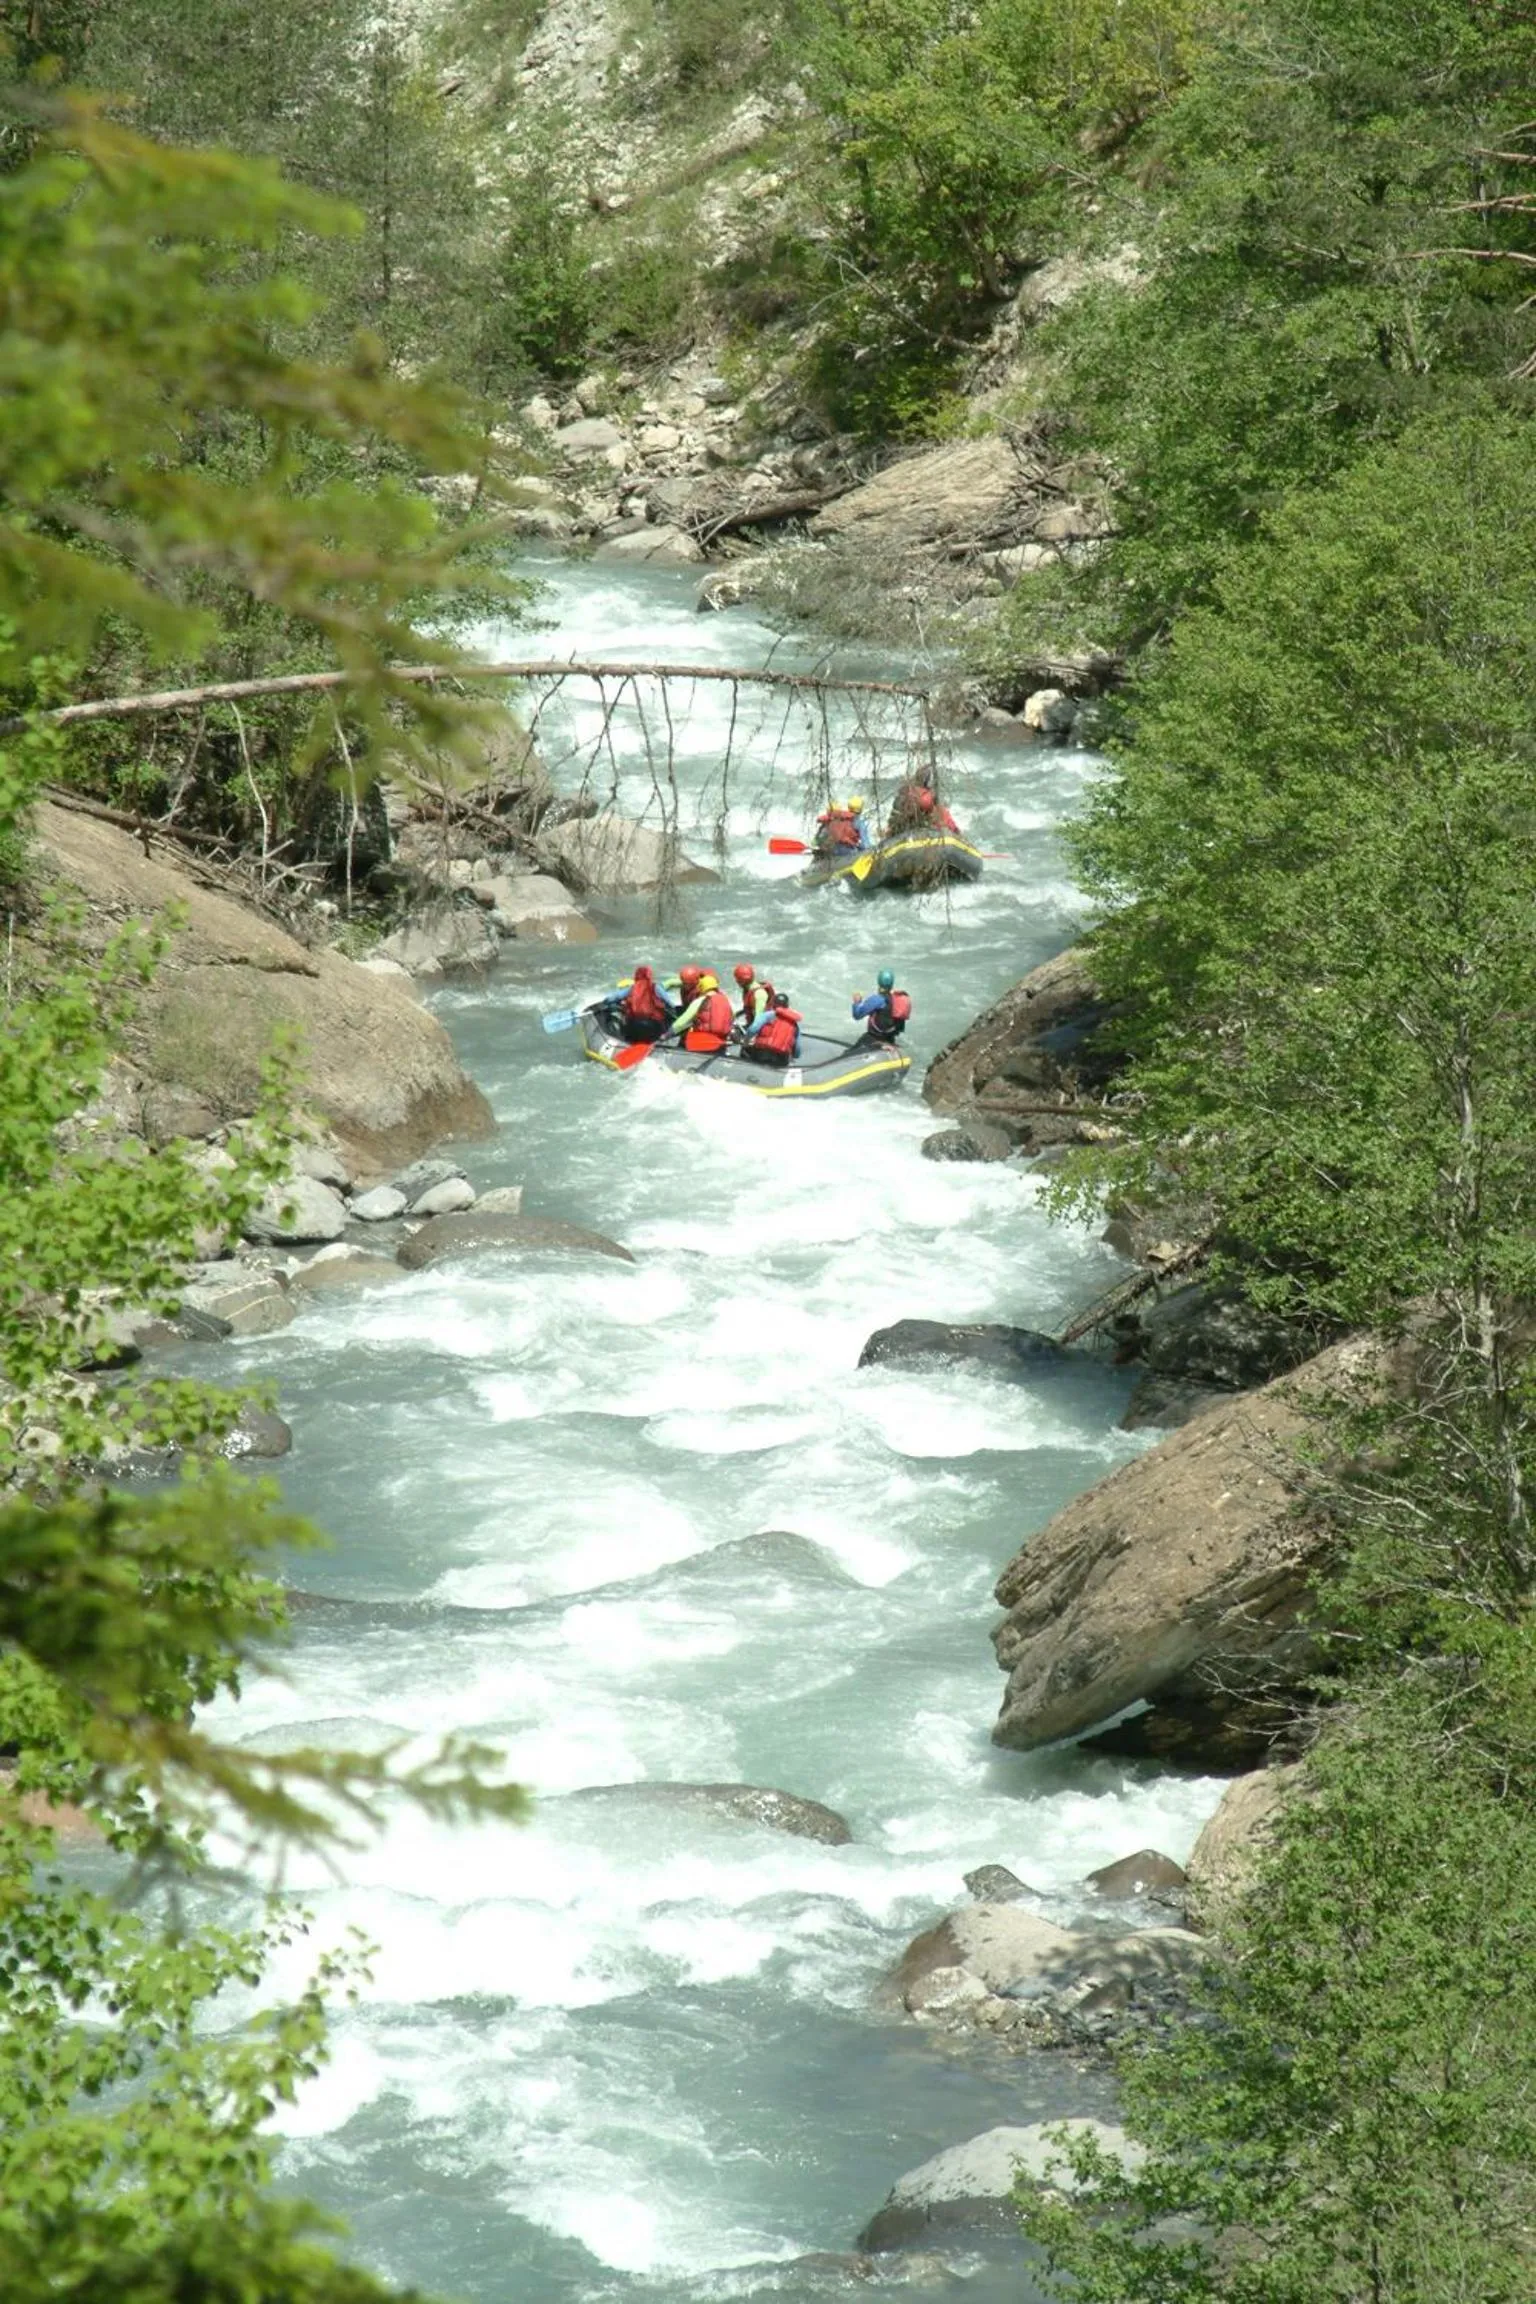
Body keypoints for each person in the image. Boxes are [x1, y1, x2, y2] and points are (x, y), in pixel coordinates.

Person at [669, 969, 735, 1052]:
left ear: (702, 986)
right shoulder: (725, 1000)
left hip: (701, 1042)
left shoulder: (700, 1000)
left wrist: (667, 1034)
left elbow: (682, 1022)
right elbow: (731, 1017)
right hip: (720, 1043)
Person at [610, 962, 675, 1044]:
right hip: (654, 1028)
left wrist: (606, 1002)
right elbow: (670, 1004)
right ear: (649, 976)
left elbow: (613, 998)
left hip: (633, 1028)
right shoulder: (656, 987)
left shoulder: (632, 988)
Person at [851, 967, 911, 1047]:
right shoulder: (897, 999)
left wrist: (857, 1002)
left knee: (848, 1052)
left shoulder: (877, 999)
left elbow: (857, 1015)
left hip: (874, 1038)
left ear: (879, 982)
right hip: (890, 1039)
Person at [744, 990, 803, 1067]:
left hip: (762, 1054)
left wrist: (746, 1041)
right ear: (787, 1006)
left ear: (773, 1004)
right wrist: (793, 1056)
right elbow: (797, 1050)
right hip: (781, 1059)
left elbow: (753, 1029)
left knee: (745, 1050)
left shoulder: (767, 1015)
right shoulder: (794, 1023)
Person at [733, 961, 774, 1028]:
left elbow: (759, 1019)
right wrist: (736, 1015)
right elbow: (750, 1008)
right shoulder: (748, 989)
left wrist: (749, 1032)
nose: (736, 981)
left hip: (764, 1028)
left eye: (737, 979)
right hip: (756, 1023)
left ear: (742, 981)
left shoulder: (759, 994)